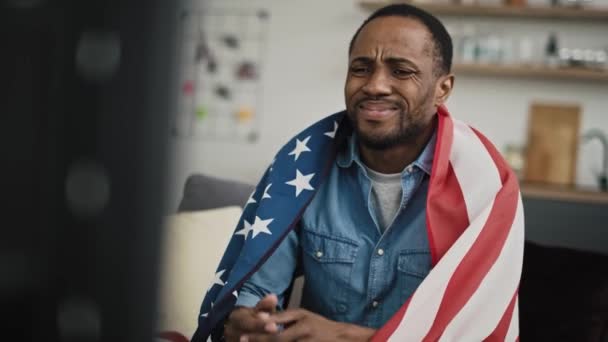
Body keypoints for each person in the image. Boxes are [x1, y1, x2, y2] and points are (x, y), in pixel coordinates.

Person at [193, 4, 524, 342]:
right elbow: (257, 289)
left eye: (401, 71)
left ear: (443, 89)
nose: (376, 85)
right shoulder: (302, 167)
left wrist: (347, 338)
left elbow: (479, 330)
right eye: (361, 68)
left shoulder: (484, 185)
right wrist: (247, 323)